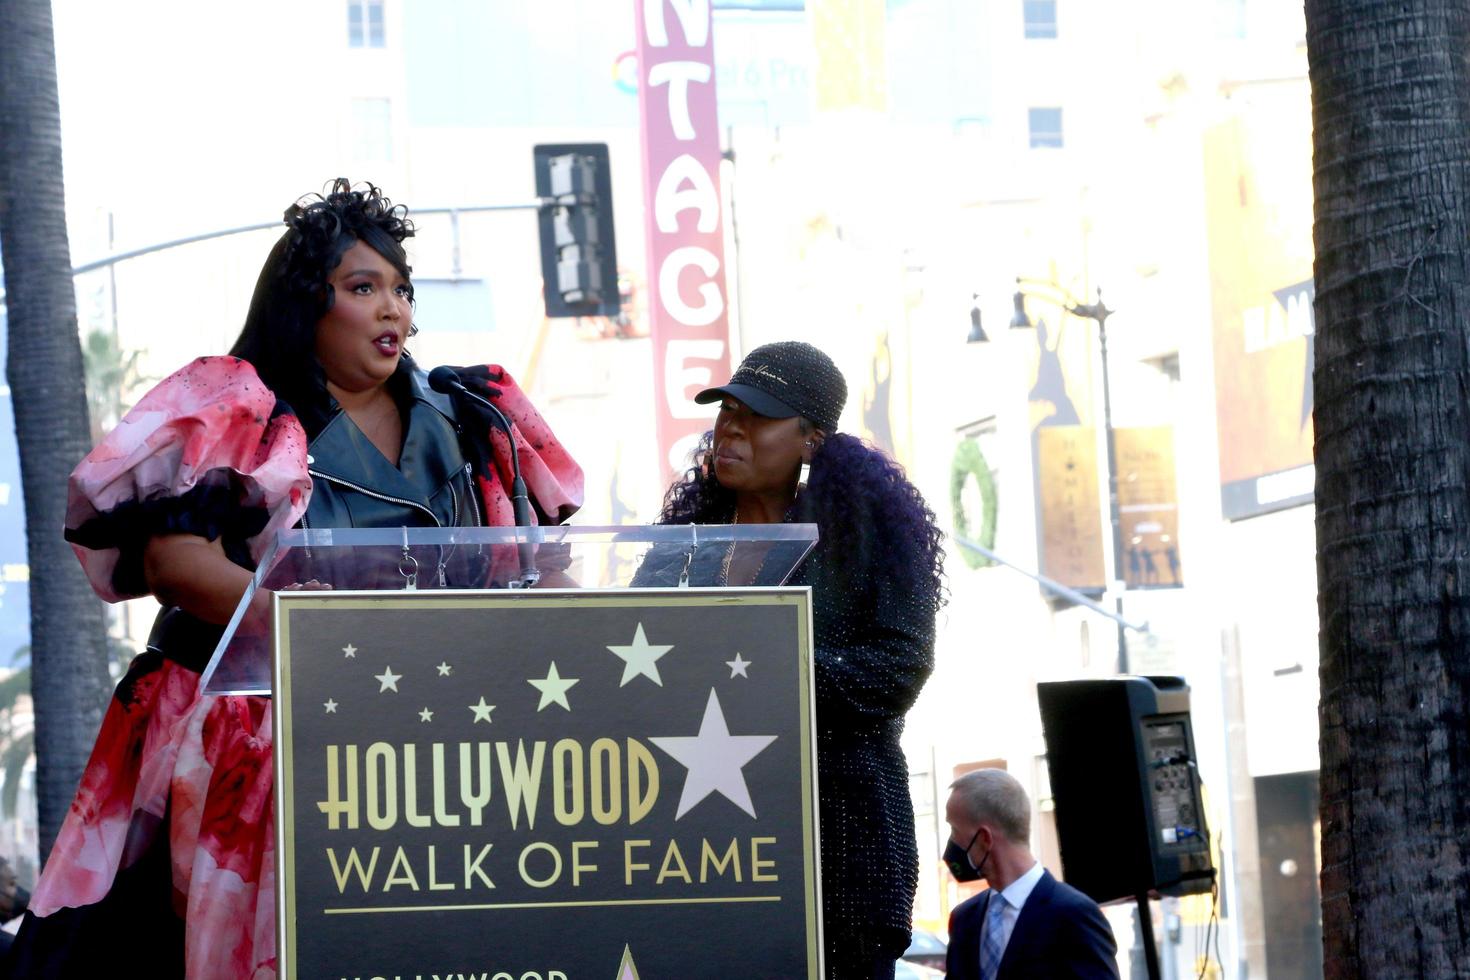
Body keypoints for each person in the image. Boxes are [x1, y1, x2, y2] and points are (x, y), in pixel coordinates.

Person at [6, 180, 583, 979]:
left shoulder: (473, 418)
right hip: (265, 744)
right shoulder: (242, 407)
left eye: (400, 289)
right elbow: (177, 562)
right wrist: (328, 638)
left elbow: (540, 569)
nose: (393, 310)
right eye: (362, 288)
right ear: (306, 305)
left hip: (440, 745)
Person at [640, 341, 945, 980]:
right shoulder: (682, 550)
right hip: (704, 857)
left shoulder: (864, 540)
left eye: (756, 416)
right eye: (726, 410)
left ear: (811, 439)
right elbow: (636, 664)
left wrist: (763, 670)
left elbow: (897, 667)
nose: (731, 428)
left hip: (839, 852)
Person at [943, 768, 1120, 980]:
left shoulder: (1074, 915)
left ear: (985, 839)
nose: (952, 842)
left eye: (954, 830)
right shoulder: (964, 919)